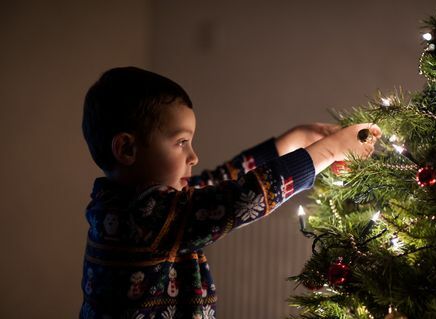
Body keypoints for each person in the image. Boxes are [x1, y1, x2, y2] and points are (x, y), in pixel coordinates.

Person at [79, 66, 381, 319]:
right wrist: (328, 151)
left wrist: (297, 139)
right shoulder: (144, 217)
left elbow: (224, 179)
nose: (193, 157)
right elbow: (239, 198)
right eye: (182, 142)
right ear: (127, 149)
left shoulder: (134, 205)